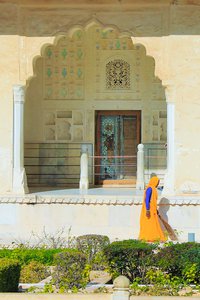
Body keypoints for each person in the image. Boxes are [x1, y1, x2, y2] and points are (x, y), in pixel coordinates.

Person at [139, 176, 167, 242]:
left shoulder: (153, 189)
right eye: (157, 182)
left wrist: (156, 210)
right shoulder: (150, 189)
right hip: (148, 210)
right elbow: (147, 199)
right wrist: (148, 210)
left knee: (153, 224)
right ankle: (147, 237)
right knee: (148, 223)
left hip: (153, 210)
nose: (157, 184)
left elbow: (153, 201)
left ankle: (153, 237)